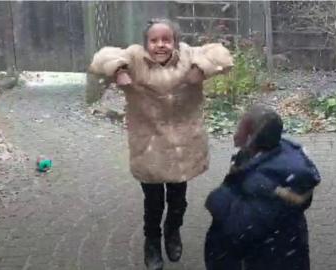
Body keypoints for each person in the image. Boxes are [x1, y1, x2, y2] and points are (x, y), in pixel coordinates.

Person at [88, 18, 233, 270]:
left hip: (182, 145)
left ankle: (173, 230)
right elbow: (102, 57)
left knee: (178, 200)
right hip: (149, 144)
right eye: (154, 40)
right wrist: (119, 71)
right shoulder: (134, 58)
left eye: (166, 39)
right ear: (146, 43)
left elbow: (220, 54)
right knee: (153, 202)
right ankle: (152, 242)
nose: (160, 45)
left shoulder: (188, 55)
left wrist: (203, 68)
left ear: (175, 42)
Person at [204, 105, 321, 270]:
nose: (235, 133)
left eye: (240, 128)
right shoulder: (279, 153)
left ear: (251, 138)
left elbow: (237, 229)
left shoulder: (259, 186)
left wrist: (218, 198)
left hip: (268, 259)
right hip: (290, 248)